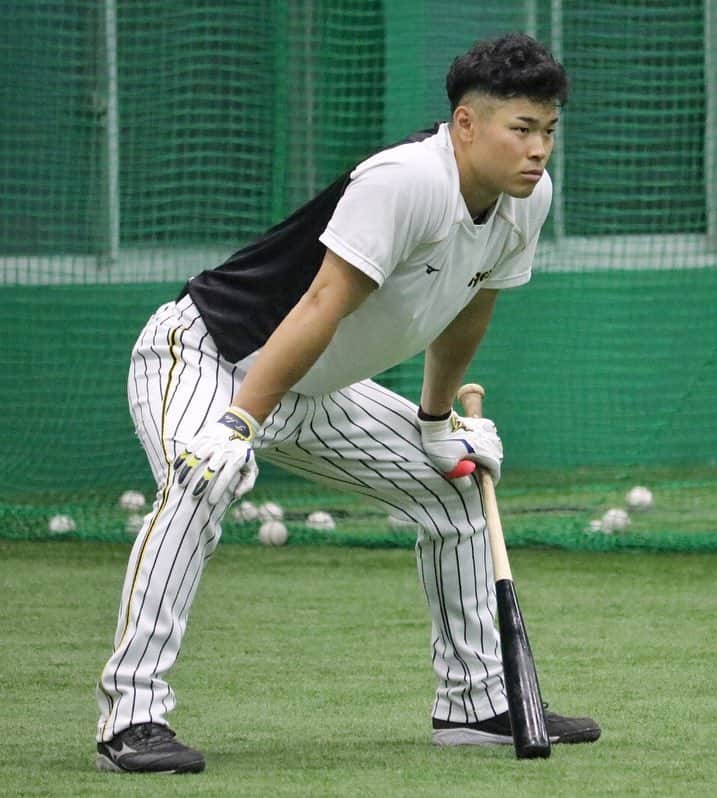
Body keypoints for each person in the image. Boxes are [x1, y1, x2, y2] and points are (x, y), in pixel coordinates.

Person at [94, 32, 599, 774]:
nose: (538, 150)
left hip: (312, 385)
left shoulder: (527, 201)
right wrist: (236, 424)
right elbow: (324, 302)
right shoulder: (403, 181)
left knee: (452, 488)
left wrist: (434, 425)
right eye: (520, 129)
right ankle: (131, 720)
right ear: (465, 123)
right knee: (202, 480)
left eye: (547, 131)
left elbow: (469, 309)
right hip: (210, 356)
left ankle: (477, 705)